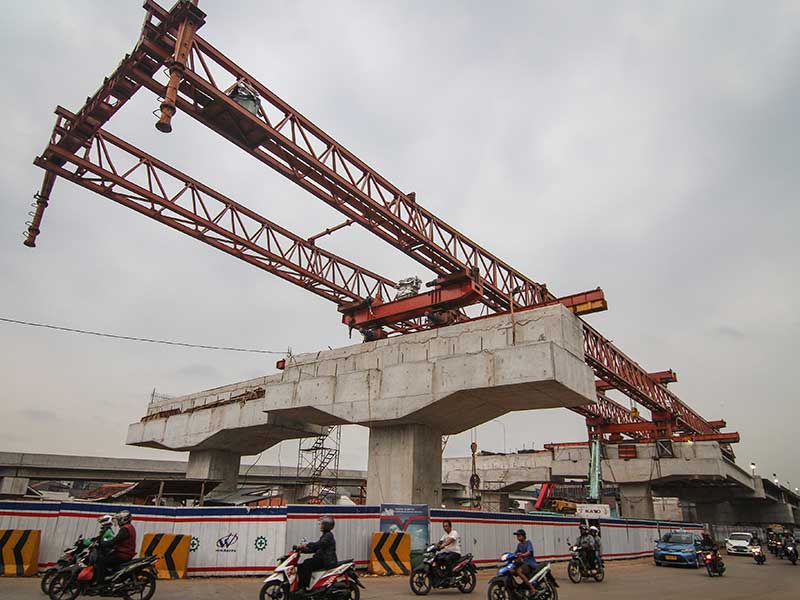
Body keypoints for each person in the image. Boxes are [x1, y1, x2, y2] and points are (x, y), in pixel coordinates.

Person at [297, 515, 338, 590]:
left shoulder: (328, 536)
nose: (321, 526)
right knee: (300, 566)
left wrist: (307, 544)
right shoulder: (325, 535)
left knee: (307, 564)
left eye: (322, 524)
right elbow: (316, 548)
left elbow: (319, 544)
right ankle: (300, 585)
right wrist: (301, 550)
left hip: (326, 560)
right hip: (322, 558)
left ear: (327, 525)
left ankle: (305, 587)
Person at [95, 510, 137, 581]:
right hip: (125, 553)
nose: (118, 521)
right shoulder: (129, 527)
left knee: (101, 561)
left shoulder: (125, 529)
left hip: (123, 554)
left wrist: (104, 544)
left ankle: (101, 582)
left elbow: (115, 541)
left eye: (119, 519)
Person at [512, 529, 536, 595]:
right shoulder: (519, 545)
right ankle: (520, 587)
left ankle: (532, 588)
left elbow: (529, 552)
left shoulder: (528, 542)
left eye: (519, 536)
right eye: (517, 536)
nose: (518, 537)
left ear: (523, 536)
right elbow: (515, 553)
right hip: (524, 564)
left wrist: (522, 555)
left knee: (519, 571)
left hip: (530, 563)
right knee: (511, 570)